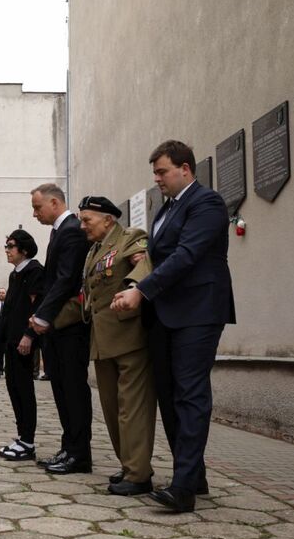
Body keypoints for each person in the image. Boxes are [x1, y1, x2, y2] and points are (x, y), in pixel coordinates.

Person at [112, 140, 235, 512]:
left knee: (190, 395)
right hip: (165, 314)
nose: (157, 178)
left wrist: (142, 291)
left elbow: (187, 255)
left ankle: (183, 489)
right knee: (167, 395)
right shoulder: (166, 209)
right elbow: (157, 257)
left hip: (198, 312)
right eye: (155, 172)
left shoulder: (207, 203)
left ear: (185, 169)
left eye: (162, 171)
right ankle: (194, 475)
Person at [79, 196, 156, 495]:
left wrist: (135, 287)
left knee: (132, 408)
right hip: (102, 340)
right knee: (111, 408)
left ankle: (139, 474)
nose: (83, 226)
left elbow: (145, 263)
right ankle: (128, 464)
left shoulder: (130, 238)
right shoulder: (94, 250)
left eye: (87, 220)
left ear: (108, 220)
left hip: (129, 336)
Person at [28, 182, 92, 475]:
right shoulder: (59, 231)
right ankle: (69, 448)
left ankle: (80, 454)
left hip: (70, 325)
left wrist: (43, 316)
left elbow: (66, 279)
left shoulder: (72, 231)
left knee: (73, 389)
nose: (35, 214)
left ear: (54, 203)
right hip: (58, 325)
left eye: (37, 207)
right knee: (61, 389)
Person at [0, 230, 44, 462]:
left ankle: (28, 441)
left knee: (24, 389)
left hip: (24, 341)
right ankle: (22, 436)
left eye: (11, 246)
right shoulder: (14, 275)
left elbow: (37, 308)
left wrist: (29, 335)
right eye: (6, 246)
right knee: (13, 387)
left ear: (24, 249)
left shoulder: (34, 271)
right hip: (11, 341)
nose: (7, 250)